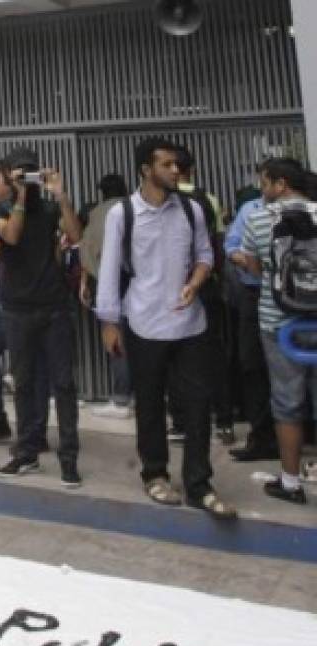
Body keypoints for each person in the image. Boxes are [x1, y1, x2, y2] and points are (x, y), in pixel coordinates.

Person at [96, 137, 234, 519]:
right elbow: (108, 270)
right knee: (151, 403)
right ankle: (155, 473)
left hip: (190, 324)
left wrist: (197, 281)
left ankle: (198, 483)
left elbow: (206, 255)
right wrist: (109, 322)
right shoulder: (122, 213)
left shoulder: (191, 209)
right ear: (145, 169)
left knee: (198, 402)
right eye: (167, 164)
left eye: (178, 164)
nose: (176, 171)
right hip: (143, 321)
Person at [0, 147, 83, 487]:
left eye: (30, 172)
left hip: (54, 307)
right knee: (23, 383)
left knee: (64, 384)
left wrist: (61, 195)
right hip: (17, 309)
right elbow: (11, 235)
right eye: (19, 173)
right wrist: (21, 198)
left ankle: (69, 457)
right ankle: (26, 452)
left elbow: (76, 236)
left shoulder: (50, 206)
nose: (24, 178)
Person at [230, 158, 315, 506]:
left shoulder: (260, 218)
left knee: (286, 401)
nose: (262, 191)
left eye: (265, 183)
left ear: (280, 184)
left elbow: (251, 266)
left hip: (279, 323)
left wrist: (250, 261)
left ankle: (291, 481)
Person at [0, 163, 50, 448]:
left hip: (33, 299)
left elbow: (38, 248)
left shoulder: (39, 211)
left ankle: (35, 432)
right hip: (3, 296)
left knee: (30, 368)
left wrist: (6, 250)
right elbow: (13, 243)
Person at [176, 146, 235, 445]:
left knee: (173, 355)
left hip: (172, 288)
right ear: (192, 170)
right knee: (212, 352)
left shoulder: (161, 199)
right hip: (205, 284)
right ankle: (224, 419)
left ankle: (180, 421)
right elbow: (218, 244)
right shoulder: (207, 199)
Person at [224, 165, 278, 463]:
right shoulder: (249, 210)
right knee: (252, 364)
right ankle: (262, 435)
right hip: (253, 294)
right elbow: (230, 244)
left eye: (265, 181)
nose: (262, 186)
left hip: (295, 300)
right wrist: (243, 259)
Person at [79, 173, 134, 419]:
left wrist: (86, 281)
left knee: (116, 341)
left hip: (109, 282)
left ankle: (122, 399)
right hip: (140, 284)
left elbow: (87, 250)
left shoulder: (99, 214)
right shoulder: (136, 207)